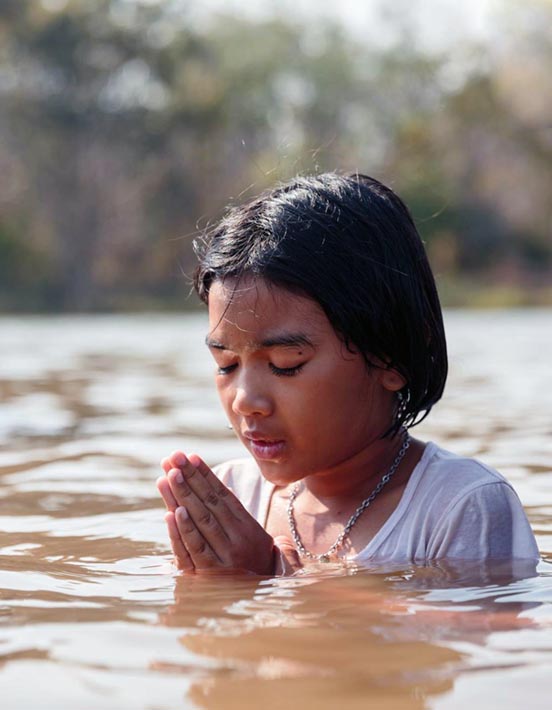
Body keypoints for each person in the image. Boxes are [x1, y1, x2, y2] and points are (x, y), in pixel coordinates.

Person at [156, 172, 539, 576]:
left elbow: (486, 629)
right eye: (226, 364)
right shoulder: (233, 502)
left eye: (287, 363)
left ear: (391, 357)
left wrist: (271, 578)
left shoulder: (459, 504)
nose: (244, 399)